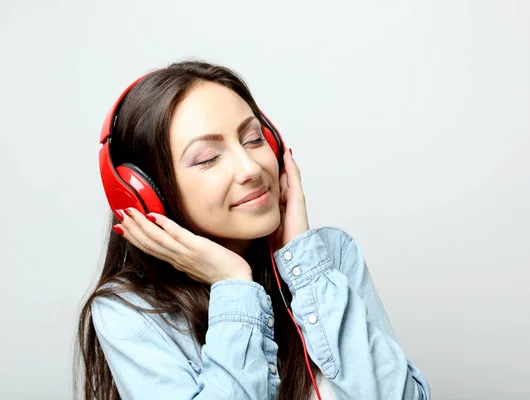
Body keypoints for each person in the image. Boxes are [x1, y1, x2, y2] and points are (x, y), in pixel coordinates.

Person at [74, 60, 431, 400]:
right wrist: (235, 286)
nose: (250, 168)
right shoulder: (129, 310)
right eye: (208, 158)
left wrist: (305, 267)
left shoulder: (332, 255)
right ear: (147, 194)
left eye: (254, 139)